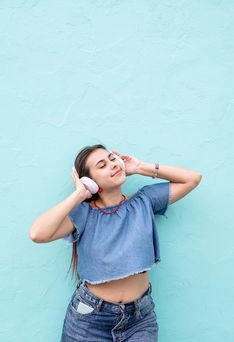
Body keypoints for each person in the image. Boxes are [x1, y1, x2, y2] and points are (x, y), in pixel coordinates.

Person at [29, 144, 202, 341]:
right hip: (89, 319)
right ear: (89, 181)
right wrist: (79, 194)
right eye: (102, 165)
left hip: (140, 319)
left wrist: (138, 167)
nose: (112, 165)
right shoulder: (84, 213)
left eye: (112, 159)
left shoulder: (144, 201)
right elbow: (37, 233)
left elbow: (192, 178)